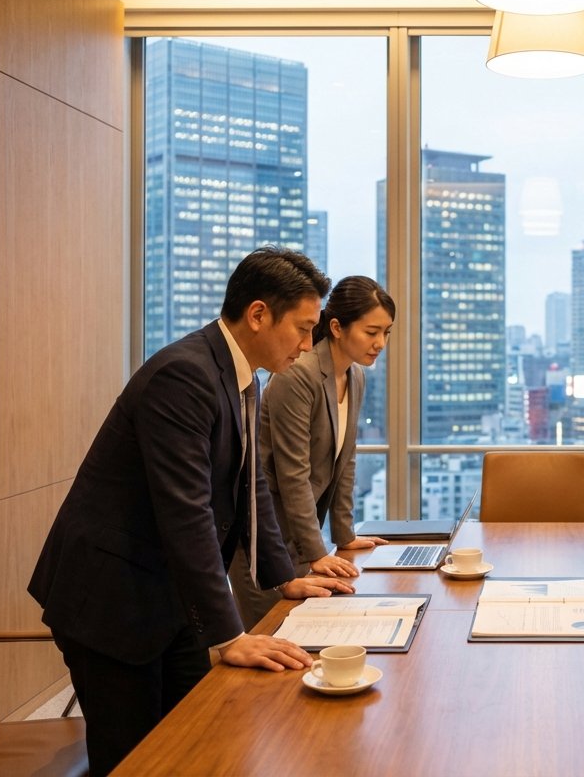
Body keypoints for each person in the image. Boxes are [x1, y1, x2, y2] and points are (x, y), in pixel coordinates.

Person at [28, 247, 355, 776]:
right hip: (112, 597)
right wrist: (231, 636)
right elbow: (187, 512)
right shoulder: (184, 376)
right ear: (257, 314)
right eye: (300, 328)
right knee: (135, 758)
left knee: (200, 738)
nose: (307, 343)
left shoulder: (242, 374)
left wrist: (283, 579)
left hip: (169, 596)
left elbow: (250, 488)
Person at [230, 275, 395, 629]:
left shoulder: (356, 376)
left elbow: (345, 461)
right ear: (336, 327)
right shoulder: (297, 376)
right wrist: (318, 552)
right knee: (273, 643)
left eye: (386, 333)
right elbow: (294, 475)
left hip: (300, 538)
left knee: (306, 639)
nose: (380, 343)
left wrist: (345, 535)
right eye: (371, 332)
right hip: (264, 540)